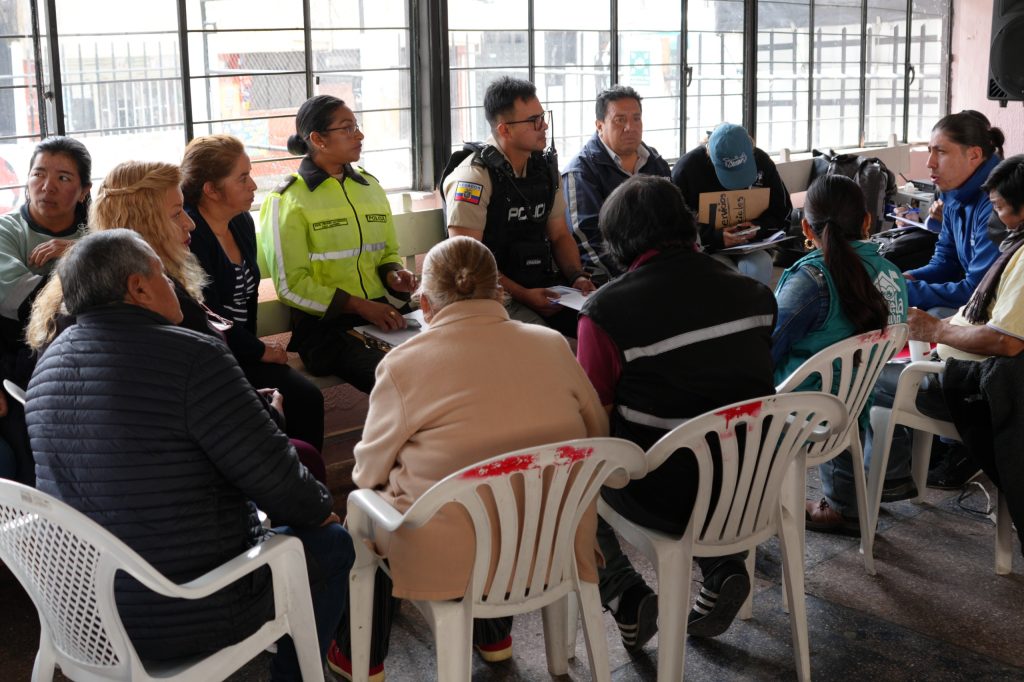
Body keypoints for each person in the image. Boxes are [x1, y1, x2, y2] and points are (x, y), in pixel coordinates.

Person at [26, 228, 353, 681]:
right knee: (332, 544)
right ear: (138, 288)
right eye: (162, 274)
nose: (173, 284)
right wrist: (318, 509)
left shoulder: (49, 364)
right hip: (184, 610)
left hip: (82, 616)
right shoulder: (192, 355)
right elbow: (277, 480)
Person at [328, 236, 608, 678]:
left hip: (450, 560)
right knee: (505, 486)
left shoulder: (403, 364)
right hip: (552, 539)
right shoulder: (552, 344)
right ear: (498, 292)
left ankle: (359, 657)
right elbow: (598, 434)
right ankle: (493, 634)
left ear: (425, 304)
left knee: (363, 515)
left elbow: (367, 474)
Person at [576, 175, 776, 649]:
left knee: (571, 476)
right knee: (700, 428)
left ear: (618, 242)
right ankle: (723, 564)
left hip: (663, 493)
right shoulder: (753, 292)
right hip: (749, 480)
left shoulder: (604, 314)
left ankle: (624, 593)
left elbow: (596, 428)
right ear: (687, 223)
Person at [771, 175, 909, 534]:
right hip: (855, 407)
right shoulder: (892, 275)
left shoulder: (810, 280)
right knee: (842, 379)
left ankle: (744, 508)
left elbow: (765, 348)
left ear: (806, 227)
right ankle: (845, 505)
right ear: (867, 221)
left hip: (796, 418)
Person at [260, 95, 417, 394]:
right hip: (327, 329)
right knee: (400, 380)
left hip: (381, 315)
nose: (359, 135)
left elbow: (387, 252)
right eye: (347, 128)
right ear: (318, 139)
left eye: (356, 126)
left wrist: (393, 274)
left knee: (446, 357)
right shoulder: (288, 199)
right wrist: (359, 305)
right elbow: (290, 285)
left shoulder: (370, 187)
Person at [907, 154, 1024, 557]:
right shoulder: (958, 205)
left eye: (1001, 208)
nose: (996, 219)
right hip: (966, 352)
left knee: (875, 383)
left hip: (984, 382)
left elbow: (1007, 341)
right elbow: (944, 262)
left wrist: (936, 330)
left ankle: (868, 491)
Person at [182, 134, 326, 451]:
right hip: (212, 359)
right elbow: (209, 314)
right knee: (264, 412)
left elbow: (247, 300)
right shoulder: (190, 234)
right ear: (211, 189)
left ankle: (302, 476)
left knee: (306, 398)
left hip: (243, 351)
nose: (253, 185)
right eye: (243, 178)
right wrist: (259, 350)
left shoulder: (242, 222)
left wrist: (256, 351)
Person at [442, 76, 596, 336]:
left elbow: (560, 235)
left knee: (601, 327)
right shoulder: (473, 178)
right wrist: (524, 295)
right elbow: (467, 262)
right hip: (490, 296)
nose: (544, 125)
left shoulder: (544, 171)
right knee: (553, 346)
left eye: (543, 116)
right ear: (505, 130)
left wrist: (577, 277)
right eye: (534, 120)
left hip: (542, 286)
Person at [903, 110, 1005, 490]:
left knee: (938, 313)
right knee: (919, 305)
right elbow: (944, 261)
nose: (930, 163)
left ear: (974, 155)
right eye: (930, 151)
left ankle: (960, 442)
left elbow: (977, 291)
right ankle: (930, 425)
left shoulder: (995, 200)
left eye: (940, 152)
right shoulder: (954, 190)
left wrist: (905, 292)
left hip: (1000, 312)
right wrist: (907, 278)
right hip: (978, 298)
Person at [0, 136, 92, 485]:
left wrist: (75, 250)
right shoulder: (7, 232)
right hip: (20, 365)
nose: (47, 186)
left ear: (84, 191)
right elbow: (28, 305)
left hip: (91, 359)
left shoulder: (97, 233)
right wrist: (90, 266)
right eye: (38, 174)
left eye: (63, 178)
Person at [561, 85, 671, 284]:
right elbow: (588, 241)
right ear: (599, 125)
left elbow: (674, 220)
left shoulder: (655, 162)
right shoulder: (581, 172)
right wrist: (635, 278)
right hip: (610, 279)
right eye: (620, 120)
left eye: (636, 118)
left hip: (660, 270)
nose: (630, 127)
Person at [671, 122, 791, 286]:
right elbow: (674, 228)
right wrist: (716, 237)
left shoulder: (762, 162)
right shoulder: (686, 169)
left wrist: (757, 228)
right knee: (721, 269)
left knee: (760, 264)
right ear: (710, 156)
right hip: (704, 249)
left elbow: (783, 214)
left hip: (751, 245)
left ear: (751, 150)